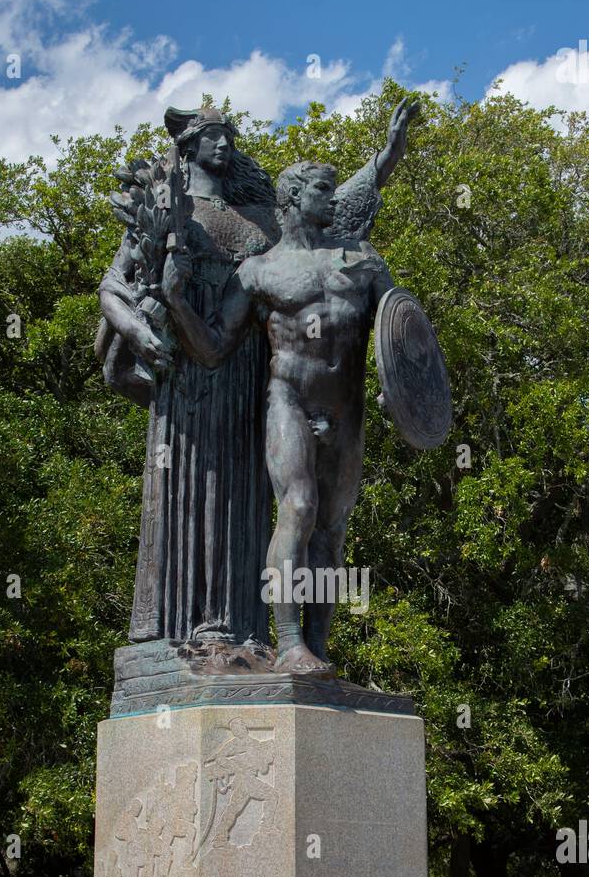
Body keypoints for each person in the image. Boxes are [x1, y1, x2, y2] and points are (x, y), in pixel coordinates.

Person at [96, 100, 419, 654]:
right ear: (189, 145)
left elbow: (334, 216)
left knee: (292, 518)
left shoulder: (264, 221)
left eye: (230, 134)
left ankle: (258, 635)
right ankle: (192, 632)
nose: (225, 144)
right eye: (214, 135)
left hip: (248, 376)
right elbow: (115, 286)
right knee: (283, 507)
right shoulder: (168, 206)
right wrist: (156, 317)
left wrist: (385, 160)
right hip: (195, 372)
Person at [162, 159, 395, 671]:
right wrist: (177, 301)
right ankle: (289, 643)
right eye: (321, 189)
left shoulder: (364, 260)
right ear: (290, 197)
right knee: (299, 506)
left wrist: (397, 387)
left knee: (331, 531)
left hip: (347, 410)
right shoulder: (259, 270)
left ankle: (318, 646)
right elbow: (215, 347)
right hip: (288, 400)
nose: (332, 199)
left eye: (334, 189)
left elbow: (401, 330)